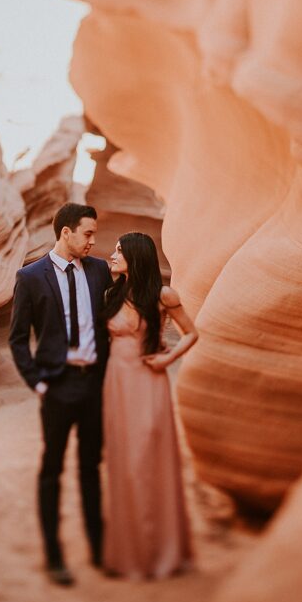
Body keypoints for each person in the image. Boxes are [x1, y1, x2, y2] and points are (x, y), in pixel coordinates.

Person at [8, 203, 113, 587]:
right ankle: (54, 556)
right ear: (65, 232)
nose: (92, 241)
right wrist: (38, 382)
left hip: (93, 384)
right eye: (87, 233)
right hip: (56, 385)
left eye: (94, 234)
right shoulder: (31, 276)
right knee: (52, 469)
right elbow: (18, 339)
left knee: (90, 468)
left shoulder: (101, 270)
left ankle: (99, 549)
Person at [102, 232, 198, 579]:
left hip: (147, 380)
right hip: (116, 382)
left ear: (136, 255)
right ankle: (129, 553)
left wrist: (168, 358)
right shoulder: (113, 294)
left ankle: (161, 552)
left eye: (118, 250)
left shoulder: (163, 295)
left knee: (148, 458)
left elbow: (192, 332)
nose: (112, 255)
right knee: (123, 462)